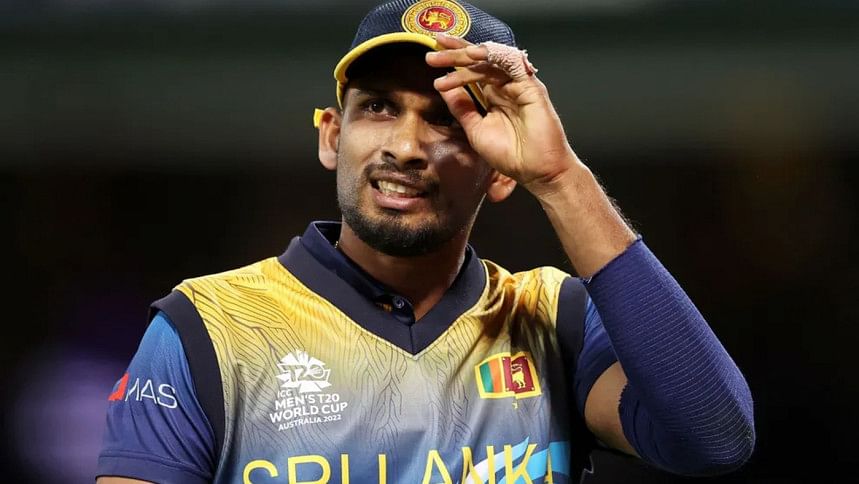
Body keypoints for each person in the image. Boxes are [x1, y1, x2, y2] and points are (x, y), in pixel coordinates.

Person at [96, 1, 755, 482]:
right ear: (332, 136)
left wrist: (559, 178)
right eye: (379, 107)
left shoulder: (553, 320)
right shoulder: (206, 326)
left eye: (448, 119)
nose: (406, 146)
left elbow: (714, 436)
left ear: (501, 170)